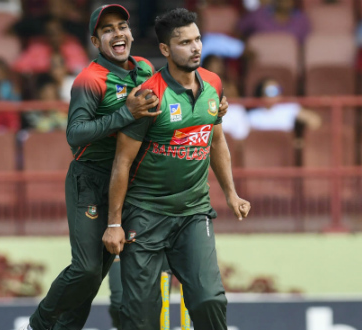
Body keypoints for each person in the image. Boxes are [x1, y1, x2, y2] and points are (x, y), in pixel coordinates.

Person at [20, 5, 229, 330]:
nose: (118, 33)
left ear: (132, 34)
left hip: (130, 180)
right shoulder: (89, 79)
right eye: (107, 30)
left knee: (96, 274)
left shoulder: (145, 68)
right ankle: (41, 323)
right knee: (87, 270)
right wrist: (125, 114)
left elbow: (173, 92)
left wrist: (208, 105)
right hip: (91, 178)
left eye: (122, 26)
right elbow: (74, 134)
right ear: (94, 40)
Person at [103, 8, 250, 330]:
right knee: (140, 315)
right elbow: (122, 161)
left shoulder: (213, 84)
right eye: (184, 42)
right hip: (145, 214)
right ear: (166, 50)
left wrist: (231, 193)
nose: (195, 47)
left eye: (197, 39)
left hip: (193, 212)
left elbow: (216, 141)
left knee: (209, 299)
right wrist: (114, 222)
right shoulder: (149, 96)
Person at [248, 78, 321, 132]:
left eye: (278, 90)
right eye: (271, 90)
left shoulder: (288, 107)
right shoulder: (253, 116)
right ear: (261, 93)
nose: (276, 94)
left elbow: (314, 120)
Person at [237, 0, 310, 43]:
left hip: (290, 66)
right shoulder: (257, 14)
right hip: (257, 64)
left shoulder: (302, 20)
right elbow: (238, 32)